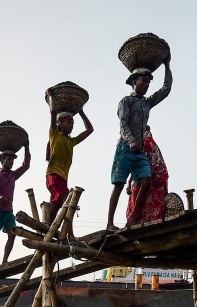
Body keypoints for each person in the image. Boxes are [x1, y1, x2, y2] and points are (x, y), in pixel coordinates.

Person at [107, 57, 172, 230]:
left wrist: (167, 65)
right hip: (125, 148)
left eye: (149, 82)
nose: (147, 85)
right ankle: (110, 223)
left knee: (146, 182)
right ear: (134, 82)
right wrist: (131, 141)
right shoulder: (125, 101)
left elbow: (166, 89)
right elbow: (123, 124)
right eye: (144, 81)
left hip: (139, 150)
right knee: (119, 185)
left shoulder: (147, 103)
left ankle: (133, 219)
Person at [45, 101, 93, 224]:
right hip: (54, 175)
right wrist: (51, 96)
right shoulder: (55, 135)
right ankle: (68, 233)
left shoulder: (71, 141)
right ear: (59, 124)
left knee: (56, 207)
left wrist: (81, 112)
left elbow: (89, 129)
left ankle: (46, 229)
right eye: (68, 122)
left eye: (72, 123)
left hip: (63, 178)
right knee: (69, 202)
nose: (71, 125)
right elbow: (53, 112)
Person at [125, 126, 169, 225]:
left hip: (149, 186)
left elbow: (160, 170)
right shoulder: (142, 145)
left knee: (148, 219)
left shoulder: (149, 145)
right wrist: (129, 182)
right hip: (143, 184)